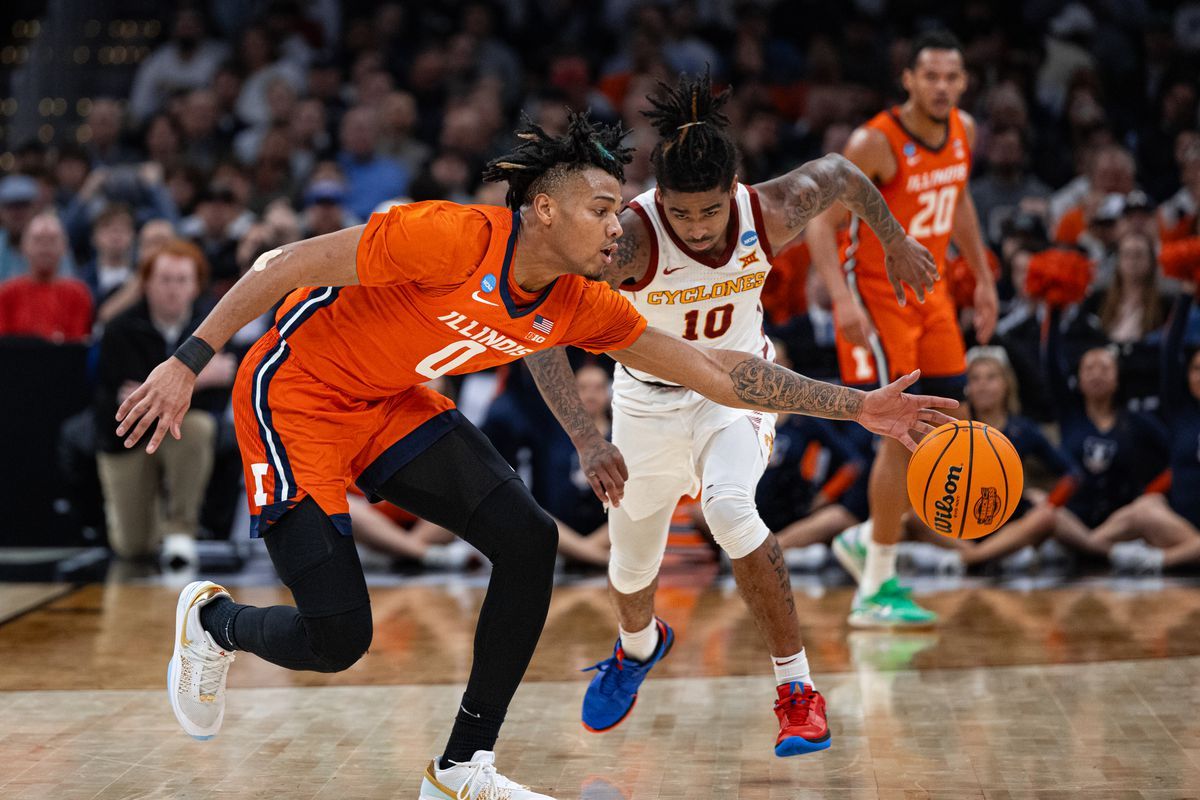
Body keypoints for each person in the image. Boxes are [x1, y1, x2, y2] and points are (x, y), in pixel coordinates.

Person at [116, 112, 953, 799]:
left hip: (394, 403)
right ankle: (212, 623)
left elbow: (719, 370)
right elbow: (280, 263)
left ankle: (461, 768)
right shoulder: (449, 237)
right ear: (544, 211)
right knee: (339, 639)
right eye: (602, 207)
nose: (619, 224)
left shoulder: (580, 304)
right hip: (294, 397)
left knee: (531, 541)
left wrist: (860, 407)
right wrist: (185, 362)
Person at [522, 72, 942, 757]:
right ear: (658, 201)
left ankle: (798, 692)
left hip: (738, 397)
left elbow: (842, 174)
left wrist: (891, 238)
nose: (694, 225)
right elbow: (538, 325)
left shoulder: (772, 210)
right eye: (680, 213)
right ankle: (638, 648)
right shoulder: (625, 241)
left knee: (729, 508)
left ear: (734, 190)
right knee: (630, 573)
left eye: (708, 212)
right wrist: (586, 436)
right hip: (642, 408)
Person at [805, 30, 999, 627]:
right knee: (900, 429)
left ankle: (868, 541)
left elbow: (958, 199)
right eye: (931, 77)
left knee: (949, 422)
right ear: (909, 81)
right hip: (879, 298)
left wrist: (985, 278)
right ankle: (875, 586)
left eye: (952, 77)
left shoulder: (963, 130)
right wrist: (843, 302)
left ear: (963, 83)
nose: (942, 87)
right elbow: (819, 224)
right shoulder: (876, 142)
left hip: (933, 295)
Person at [95, 240, 234, 569]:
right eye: (165, 280)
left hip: (181, 428)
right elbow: (131, 399)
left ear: (196, 285)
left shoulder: (209, 325)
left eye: (182, 280)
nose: (173, 289)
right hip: (124, 437)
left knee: (199, 427)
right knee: (132, 547)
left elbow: (222, 389)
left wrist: (157, 389)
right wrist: (201, 378)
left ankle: (181, 529)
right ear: (146, 284)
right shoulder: (120, 329)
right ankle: (153, 522)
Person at [0, 213, 92, 342]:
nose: (45, 247)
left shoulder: (79, 294)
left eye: (52, 240)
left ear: (64, 247)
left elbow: (77, 345)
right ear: (23, 246)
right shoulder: (6, 294)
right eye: (38, 240)